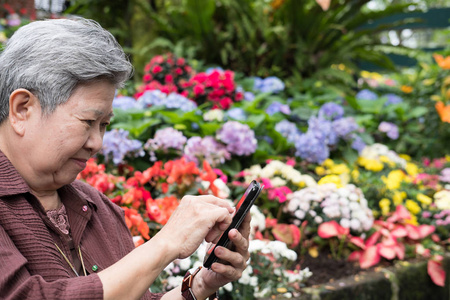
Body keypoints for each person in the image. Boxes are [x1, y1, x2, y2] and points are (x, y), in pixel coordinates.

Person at [0, 17, 251, 300]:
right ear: (22, 109)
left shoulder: (95, 207)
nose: (97, 143)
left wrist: (198, 288)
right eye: (88, 121)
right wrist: (165, 243)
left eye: (104, 124)